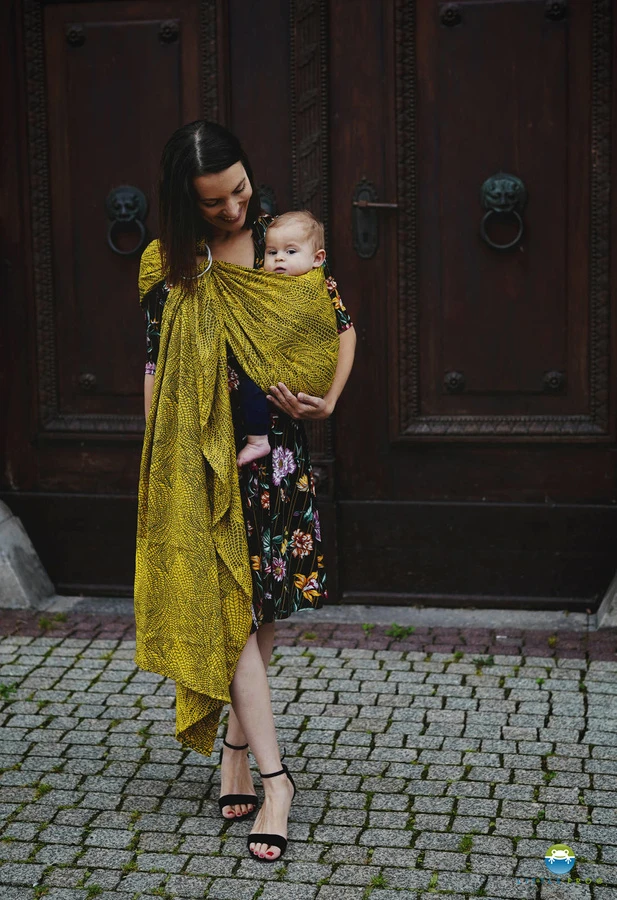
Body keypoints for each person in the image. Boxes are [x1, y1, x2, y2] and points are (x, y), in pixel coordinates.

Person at [136, 120, 356, 863]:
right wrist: (162, 465)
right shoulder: (168, 263)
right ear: (183, 200)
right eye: (213, 201)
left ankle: (234, 749)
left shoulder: (278, 241)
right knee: (230, 616)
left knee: (258, 615)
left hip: (274, 459)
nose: (233, 209)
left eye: (239, 190)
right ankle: (275, 780)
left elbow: (338, 323)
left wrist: (328, 400)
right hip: (203, 462)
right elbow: (154, 363)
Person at [236, 210, 327, 467]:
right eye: (272, 252)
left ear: (317, 259)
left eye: (290, 252)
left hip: (298, 372)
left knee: (251, 376)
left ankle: (257, 440)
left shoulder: (311, 288)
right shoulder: (266, 283)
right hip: (279, 381)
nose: (279, 258)